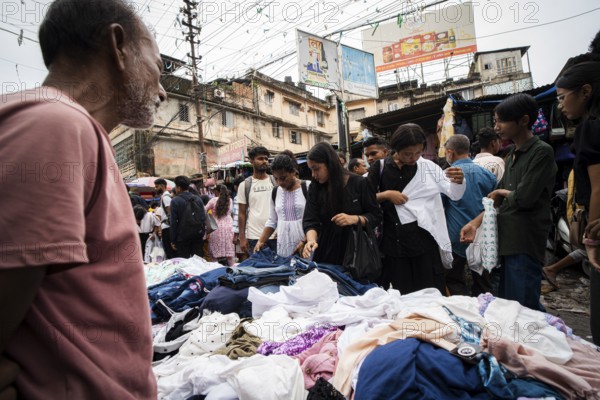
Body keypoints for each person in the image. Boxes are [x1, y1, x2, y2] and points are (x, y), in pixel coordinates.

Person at [0, 0, 166, 398]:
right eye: (158, 68)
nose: (161, 91)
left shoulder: (73, 128)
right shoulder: (53, 123)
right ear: (118, 45)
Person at [461, 94, 557, 312]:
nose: (497, 128)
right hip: (506, 242)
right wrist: (474, 224)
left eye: (501, 121)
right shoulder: (511, 155)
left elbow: (523, 198)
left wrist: (501, 192)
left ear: (523, 120)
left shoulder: (541, 151)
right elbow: (498, 202)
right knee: (509, 305)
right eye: (495, 122)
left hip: (524, 241)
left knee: (524, 308)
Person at [367, 124, 466, 294]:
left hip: (424, 244)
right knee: (403, 296)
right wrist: (386, 195)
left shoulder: (428, 168)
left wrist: (459, 181)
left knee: (430, 293)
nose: (413, 158)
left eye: (418, 153)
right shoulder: (380, 168)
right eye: (407, 154)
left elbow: (453, 194)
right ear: (395, 149)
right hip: (393, 246)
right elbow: (365, 199)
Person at [556, 58, 600, 344]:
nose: (560, 105)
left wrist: (592, 241)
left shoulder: (592, 129)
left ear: (585, 91)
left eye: (562, 98)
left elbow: (598, 188)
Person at [302, 142, 382, 266]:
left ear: (330, 164)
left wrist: (355, 219)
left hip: (357, 252)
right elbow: (310, 220)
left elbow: (375, 216)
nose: (313, 175)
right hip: (326, 250)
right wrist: (311, 240)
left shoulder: (360, 183)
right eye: (311, 170)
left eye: (316, 169)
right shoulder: (315, 187)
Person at [442, 134, 497, 296]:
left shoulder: (447, 174)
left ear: (450, 152)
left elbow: (440, 206)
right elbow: (494, 203)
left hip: (455, 236)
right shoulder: (487, 175)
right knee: (483, 284)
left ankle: (462, 314)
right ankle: (484, 314)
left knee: (453, 281)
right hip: (482, 235)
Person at [255, 151, 310, 257]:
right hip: (283, 247)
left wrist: (305, 241)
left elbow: (316, 220)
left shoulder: (308, 187)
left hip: (306, 246)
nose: (280, 182)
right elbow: (272, 221)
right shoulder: (275, 192)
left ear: (293, 172)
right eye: (276, 178)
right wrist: (261, 241)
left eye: (283, 178)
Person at [237, 147, 277, 255]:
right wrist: (242, 238)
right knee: (257, 270)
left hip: (276, 236)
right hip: (254, 237)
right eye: (260, 158)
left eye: (266, 159)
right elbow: (241, 213)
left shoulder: (275, 181)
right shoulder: (245, 185)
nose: (264, 161)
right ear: (251, 161)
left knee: (278, 270)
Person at [169, 175, 206, 259]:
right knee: (198, 262)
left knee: (184, 263)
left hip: (182, 237)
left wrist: (173, 240)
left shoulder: (175, 201)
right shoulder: (198, 199)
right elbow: (203, 217)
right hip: (197, 235)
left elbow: (173, 222)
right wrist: (202, 233)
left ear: (178, 187)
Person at [205, 184, 235, 266]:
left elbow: (204, 211)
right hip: (229, 227)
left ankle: (215, 270)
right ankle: (232, 270)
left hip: (216, 227)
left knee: (214, 255)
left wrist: (210, 217)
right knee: (229, 254)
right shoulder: (230, 200)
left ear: (216, 191)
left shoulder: (213, 200)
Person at [155, 178, 177, 259]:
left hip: (167, 227)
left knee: (170, 251)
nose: (155, 188)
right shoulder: (165, 197)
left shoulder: (166, 197)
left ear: (162, 186)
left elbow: (170, 212)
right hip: (167, 227)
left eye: (157, 186)